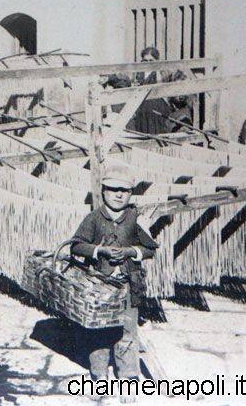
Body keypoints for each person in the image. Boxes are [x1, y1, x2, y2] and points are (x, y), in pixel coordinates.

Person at [70, 163, 158, 385]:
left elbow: (150, 249)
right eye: (113, 189)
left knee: (128, 331)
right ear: (103, 191)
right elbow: (76, 246)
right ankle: (99, 375)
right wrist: (100, 250)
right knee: (100, 331)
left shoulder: (135, 218)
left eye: (125, 191)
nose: (119, 195)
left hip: (129, 285)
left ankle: (128, 376)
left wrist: (130, 251)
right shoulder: (94, 218)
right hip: (101, 285)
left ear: (131, 193)